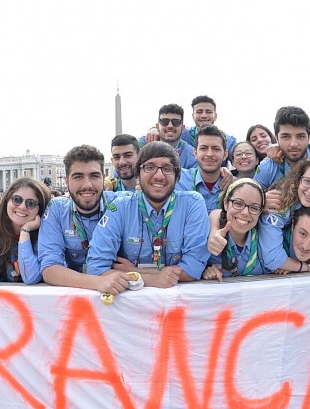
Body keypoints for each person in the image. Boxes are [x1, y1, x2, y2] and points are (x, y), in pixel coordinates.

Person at [86, 141, 210, 289]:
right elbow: (96, 267)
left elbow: (193, 269)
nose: (159, 176)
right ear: (137, 174)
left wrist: (133, 272)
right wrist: (152, 279)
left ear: (177, 176)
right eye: (150, 167)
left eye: (167, 168)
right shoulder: (119, 207)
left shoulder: (193, 203)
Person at [39, 145, 133, 293]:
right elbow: (50, 270)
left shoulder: (123, 204)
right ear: (66, 180)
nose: (87, 185)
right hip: (77, 296)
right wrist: (98, 282)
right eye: (78, 177)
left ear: (103, 177)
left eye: (94, 176)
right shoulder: (56, 209)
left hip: (121, 293)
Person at [254, 106, 310, 190]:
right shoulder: (267, 168)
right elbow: (251, 200)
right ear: (276, 138)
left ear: (309, 137)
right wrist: (263, 200)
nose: (293, 144)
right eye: (286, 136)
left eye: (300, 136)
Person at [0, 177, 51, 284]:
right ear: (7, 200)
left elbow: (30, 277)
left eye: (30, 203)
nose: (22, 207)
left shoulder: (46, 238)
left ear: (40, 209)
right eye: (17, 199)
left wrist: (25, 231)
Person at [203, 178, 270, 280]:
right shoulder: (207, 237)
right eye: (238, 203)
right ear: (225, 204)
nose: (245, 213)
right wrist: (204, 271)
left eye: (254, 208)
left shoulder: (265, 242)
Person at [183, 125, 229, 213]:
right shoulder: (177, 180)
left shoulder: (233, 187)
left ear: (225, 155)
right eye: (203, 148)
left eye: (216, 149)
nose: (209, 154)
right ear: (195, 153)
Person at [139, 104, 198, 169]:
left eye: (176, 122)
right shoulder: (142, 145)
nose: (170, 126)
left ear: (183, 128)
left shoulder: (193, 157)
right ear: (157, 126)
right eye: (165, 121)